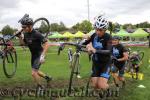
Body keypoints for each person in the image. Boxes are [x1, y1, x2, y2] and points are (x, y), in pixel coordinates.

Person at [17, 14, 52, 88]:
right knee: (36, 71)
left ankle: (40, 87)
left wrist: (43, 56)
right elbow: (23, 44)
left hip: (39, 54)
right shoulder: (25, 34)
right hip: (33, 55)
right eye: (22, 27)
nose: (23, 28)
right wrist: (20, 36)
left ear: (30, 26)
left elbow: (47, 44)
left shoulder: (37, 34)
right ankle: (48, 77)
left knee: (33, 73)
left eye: (24, 27)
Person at [82, 15, 112, 90]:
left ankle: (107, 90)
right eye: (96, 29)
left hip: (105, 64)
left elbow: (109, 51)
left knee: (101, 85)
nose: (98, 32)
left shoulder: (108, 37)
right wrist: (84, 40)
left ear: (105, 29)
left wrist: (95, 50)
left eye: (100, 30)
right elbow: (83, 44)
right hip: (96, 63)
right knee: (95, 85)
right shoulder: (94, 35)